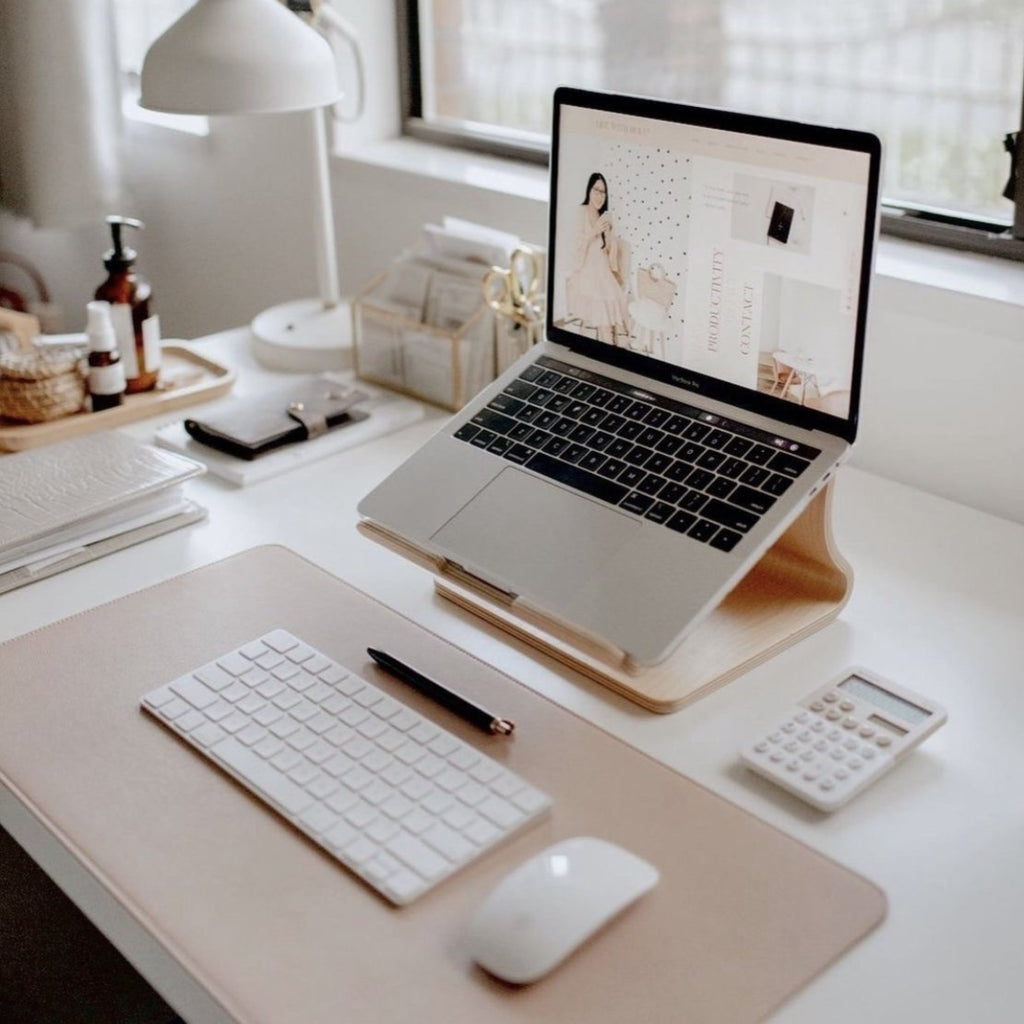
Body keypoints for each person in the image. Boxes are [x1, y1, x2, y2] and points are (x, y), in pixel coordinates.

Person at [565, 172, 630, 344]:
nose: (600, 195)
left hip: (602, 269)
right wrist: (594, 231)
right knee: (602, 308)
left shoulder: (606, 216)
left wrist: (608, 235)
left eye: (604, 192)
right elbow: (576, 248)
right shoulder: (581, 212)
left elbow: (609, 253)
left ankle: (611, 348)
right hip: (586, 269)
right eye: (597, 190)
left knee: (612, 310)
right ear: (589, 189)